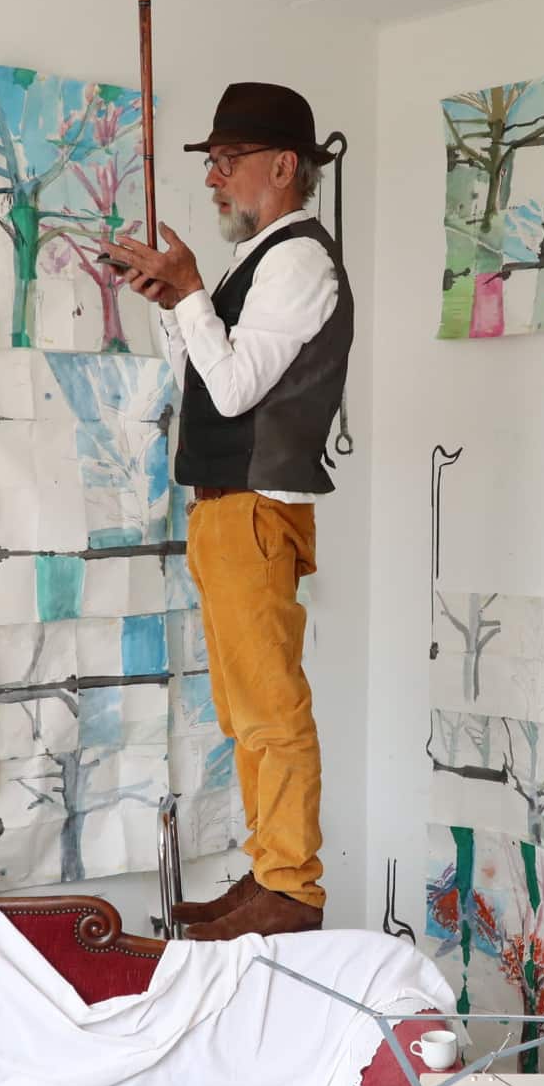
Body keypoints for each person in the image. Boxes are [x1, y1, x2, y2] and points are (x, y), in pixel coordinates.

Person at [110, 83, 350, 942]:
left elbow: (238, 387)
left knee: (270, 709)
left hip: (254, 506)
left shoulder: (297, 260)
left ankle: (290, 888)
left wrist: (190, 295)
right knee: (244, 709)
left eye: (226, 160)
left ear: (283, 167)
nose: (213, 178)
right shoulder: (262, 258)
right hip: (224, 506)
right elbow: (205, 380)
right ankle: (270, 874)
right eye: (211, 162)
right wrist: (176, 303)